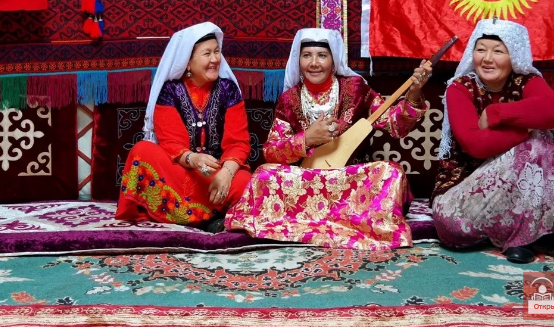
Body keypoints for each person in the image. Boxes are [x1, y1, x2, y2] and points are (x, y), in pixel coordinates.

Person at [225, 28, 431, 250]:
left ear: (334, 61)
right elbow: (271, 152)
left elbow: (395, 125)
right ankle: (343, 221)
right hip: (305, 182)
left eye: (322, 55)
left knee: (391, 172)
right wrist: (306, 140)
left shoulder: (356, 89)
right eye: (307, 55)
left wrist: (414, 94)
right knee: (263, 174)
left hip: (349, 181)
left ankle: (306, 222)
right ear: (298, 61)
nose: (314, 63)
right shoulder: (289, 99)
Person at [431, 18, 554, 264]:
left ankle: (521, 239)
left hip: (515, 201)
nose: (487, 59)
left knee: (542, 144)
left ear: (514, 56)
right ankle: (508, 232)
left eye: (498, 51)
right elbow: (475, 145)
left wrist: (495, 113)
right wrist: (531, 124)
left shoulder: (527, 82)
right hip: (461, 200)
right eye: (481, 50)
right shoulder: (460, 88)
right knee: (539, 135)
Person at [115, 22, 252, 231]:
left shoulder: (228, 90)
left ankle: (196, 216)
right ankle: (211, 217)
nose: (215, 59)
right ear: (187, 62)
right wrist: (193, 159)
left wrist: (227, 172)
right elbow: (171, 142)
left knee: (245, 183)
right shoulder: (170, 91)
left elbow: (238, 142)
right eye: (207, 54)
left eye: (217, 52)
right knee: (141, 150)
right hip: (183, 170)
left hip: (217, 172)